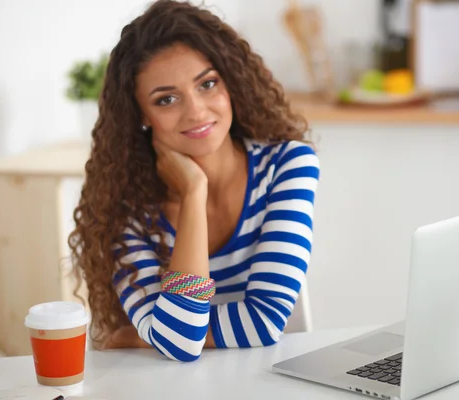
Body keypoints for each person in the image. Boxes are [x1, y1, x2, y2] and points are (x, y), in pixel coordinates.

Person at [68, 0, 320, 362]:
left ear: (230, 82)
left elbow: (262, 321)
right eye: (167, 99)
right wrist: (192, 193)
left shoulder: (287, 166)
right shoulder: (124, 211)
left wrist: (151, 336)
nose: (197, 111)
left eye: (207, 84)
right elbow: (179, 343)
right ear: (141, 115)